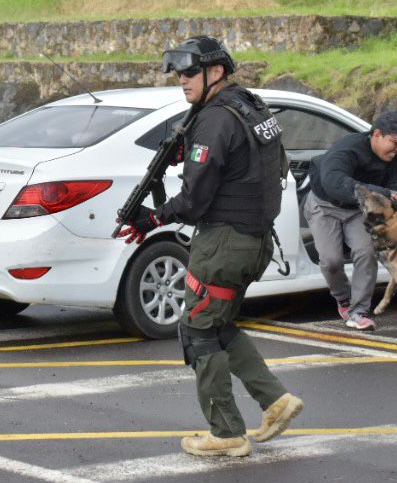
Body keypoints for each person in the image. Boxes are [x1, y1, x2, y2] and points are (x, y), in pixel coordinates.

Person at [116, 36, 303, 458]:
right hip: (252, 240)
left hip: (223, 242)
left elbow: (197, 198)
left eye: (188, 72)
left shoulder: (217, 119)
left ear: (215, 72)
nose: (181, 80)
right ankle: (275, 400)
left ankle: (226, 432)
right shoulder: (251, 107)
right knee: (215, 325)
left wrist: (154, 217)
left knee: (197, 331)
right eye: (178, 73)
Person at [303, 111, 397, 331]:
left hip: (358, 211)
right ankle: (343, 299)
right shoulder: (347, 149)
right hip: (325, 205)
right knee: (330, 260)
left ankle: (359, 311)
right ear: (377, 134)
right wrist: (379, 191)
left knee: (366, 252)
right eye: (395, 143)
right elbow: (335, 183)